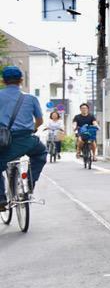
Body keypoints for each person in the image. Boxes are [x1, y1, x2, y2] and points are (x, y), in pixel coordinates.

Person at [0, 66, 47, 208]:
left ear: (3, 81)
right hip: (26, 140)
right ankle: (30, 183)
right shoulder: (31, 98)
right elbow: (40, 121)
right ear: (21, 80)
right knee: (41, 152)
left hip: (3, 142)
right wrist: (32, 128)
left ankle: (1, 199)